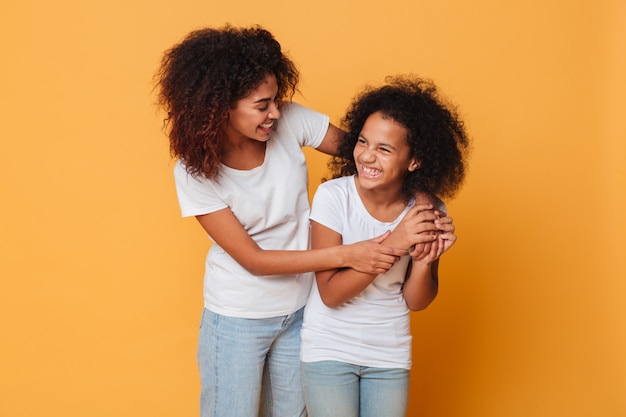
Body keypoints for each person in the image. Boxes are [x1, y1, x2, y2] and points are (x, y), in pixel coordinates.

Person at [154, 26, 451, 417]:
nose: (275, 112)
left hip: (300, 314)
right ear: (219, 106)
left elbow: (371, 155)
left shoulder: (288, 121)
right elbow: (255, 260)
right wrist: (350, 255)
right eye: (262, 105)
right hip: (237, 318)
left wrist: (425, 201)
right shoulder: (194, 173)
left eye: (276, 99)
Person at [300, 74, 470, 417]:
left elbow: (416, 301)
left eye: (384, 149)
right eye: (363, 142)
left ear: (415, 160)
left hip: (389, 353)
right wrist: (396, 242)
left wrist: (424, 259)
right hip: (329, 348)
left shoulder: (428, 210)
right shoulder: (334, 197)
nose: (367, 156)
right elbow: (331, 293)